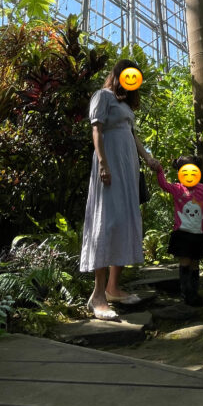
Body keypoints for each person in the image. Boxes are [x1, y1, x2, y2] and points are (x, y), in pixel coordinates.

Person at [80, 59, 161, 320]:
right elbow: (97, 129)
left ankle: (113, 287)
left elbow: (132, 134)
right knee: (107, 222)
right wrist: (103, 163)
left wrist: (148, 158)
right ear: (117, 75)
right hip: (110, 166)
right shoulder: (102, 96)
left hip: (128, 170)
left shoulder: (125, 105)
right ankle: (98, 295)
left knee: (125, 221)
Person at [156, 156, 203, 307]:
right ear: (180, 173)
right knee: (185, 262)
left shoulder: (202, 188)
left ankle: (194, 294)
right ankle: (186, 294)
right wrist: (159, 171)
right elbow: (163, 185)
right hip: (183, 234)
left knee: (195, 264)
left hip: (198, 234)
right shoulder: (177, 188)